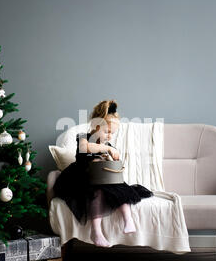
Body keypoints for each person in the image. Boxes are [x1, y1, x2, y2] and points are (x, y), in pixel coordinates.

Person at [53, 100, 153, 247]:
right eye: (107, 132)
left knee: (122, 188)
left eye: (112, 133)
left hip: (102, 178)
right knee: (96, 193)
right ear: (95, 126)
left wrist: (112, 156)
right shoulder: (84, 138)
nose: (109, 136)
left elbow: (111, 162)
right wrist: (106, 149)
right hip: (82, 178)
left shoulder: (108, 146)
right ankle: (96, 232)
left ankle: (128, 219)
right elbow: (86, 148)